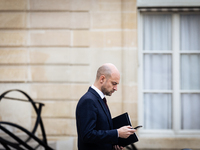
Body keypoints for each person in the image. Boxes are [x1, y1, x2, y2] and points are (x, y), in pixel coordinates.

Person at [76, 63, 136, 150]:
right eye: (114, 83)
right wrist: (117, 133)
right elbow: (87, 135)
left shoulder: (100, 99)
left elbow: (101, 130)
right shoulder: (88, 100)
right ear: (102, 79)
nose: (116, 88)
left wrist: (113, 144)